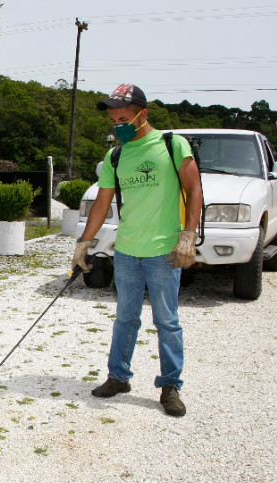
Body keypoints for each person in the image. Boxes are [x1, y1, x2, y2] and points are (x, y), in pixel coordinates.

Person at [74, 84, 202, 417]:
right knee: (125, 319)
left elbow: (194, 188)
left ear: (142, 115)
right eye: (114, 120)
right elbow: (102, 203)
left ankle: (170, 386)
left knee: (167, 321)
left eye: (123, 118)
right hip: (128, 250)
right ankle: (118, 377)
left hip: (164, 251)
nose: (118, 125)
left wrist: (188, 234)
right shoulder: (115, 155)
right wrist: (84, 242)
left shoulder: (171, 145)